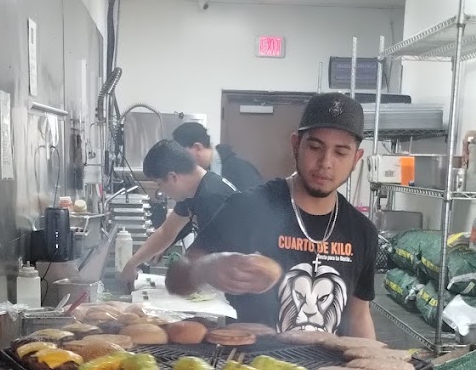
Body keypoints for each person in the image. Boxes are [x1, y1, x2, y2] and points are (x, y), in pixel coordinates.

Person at [176, 93, 377, 338]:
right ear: (296, 145)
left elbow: (359, 315)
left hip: (328, 362)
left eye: (341, 153)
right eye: (315, 147)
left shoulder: (362, 232)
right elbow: (176, 278)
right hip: (249, 360)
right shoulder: (248, 208)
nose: (326, 162)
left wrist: (375, 358)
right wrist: (205, 268)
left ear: (356, 159)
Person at [119, 138, 236, 287]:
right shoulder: (192, 192)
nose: (162, 191)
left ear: (173, 177)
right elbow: (166, 232)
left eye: (160, 184)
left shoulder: (211, 197)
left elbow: (222, 257)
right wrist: (132, 264)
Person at [171, 121, 262, 194]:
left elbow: (257, 208)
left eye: (182, 154)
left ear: (197, 148)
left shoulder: (240, 170)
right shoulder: (201, 174)